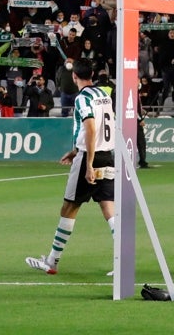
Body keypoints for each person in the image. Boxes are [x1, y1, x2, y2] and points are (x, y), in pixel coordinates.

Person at [26, 58, 115, 275]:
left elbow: (92, 128)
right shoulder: (103, 95)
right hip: (107, 155)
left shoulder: (82, 99)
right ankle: (123, 260)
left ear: (74, 76)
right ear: (92, 75)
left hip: (90, 157)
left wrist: (88, 163)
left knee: (69, 208)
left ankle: (52, 261)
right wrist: (76, 150)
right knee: (109, 208)